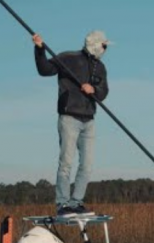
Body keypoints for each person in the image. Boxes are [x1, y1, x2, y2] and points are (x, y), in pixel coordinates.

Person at [33, 31, 110, 216]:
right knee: (66, 162)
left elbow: (104, 92)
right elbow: (45, 70)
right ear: (95, 45)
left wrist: (94, 89)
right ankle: (62, 204)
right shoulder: (68, 58)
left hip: (89, 120)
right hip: (69, 118)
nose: (105, 49)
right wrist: (39, 49)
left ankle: (76, 203)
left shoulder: (100, 67)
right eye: (104, 46)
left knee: (87, 164)